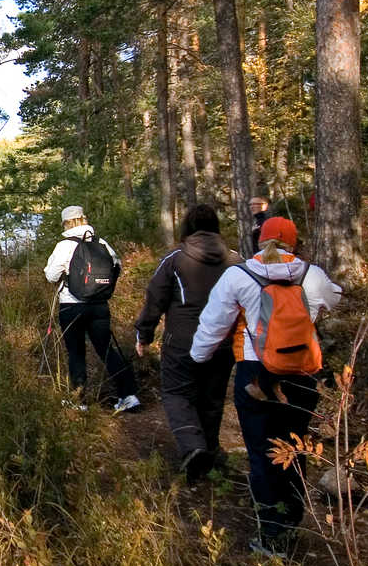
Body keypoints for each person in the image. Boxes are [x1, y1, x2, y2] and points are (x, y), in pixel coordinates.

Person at [189, 216, 342, 555]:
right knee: (295, 448)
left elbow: (213, 324)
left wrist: (197, 358)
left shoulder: (239, 275)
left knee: (262, 453)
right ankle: (291, 523)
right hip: (302, 375)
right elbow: (336, 299)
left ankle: (271, 533)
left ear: (260, 241)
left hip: (255, 374)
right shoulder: (311, 274)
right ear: (293, 241)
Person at [134, 204, 237, 482]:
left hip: (181, 340)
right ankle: (210, 449)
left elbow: (155, 299)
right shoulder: (236, 261)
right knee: (212, 397)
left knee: (177, 394)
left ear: (187, 228)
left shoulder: (175, 259)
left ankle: (194, 448)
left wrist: (143, 335)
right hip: (223, 343)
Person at [44, 205, 140, 413]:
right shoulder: (101, 242)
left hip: (71, 305)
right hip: (99, 306)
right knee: (106, 349)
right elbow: (117, 266)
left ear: (65, 223)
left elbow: (51, 275)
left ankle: (79, 401)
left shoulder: (64, 245)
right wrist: (103, 290)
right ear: (83, 219)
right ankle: (128, 395)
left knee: (76, 353)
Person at [245, 195, 277, 259]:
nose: (252, 207)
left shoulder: (268, 221)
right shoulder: (257, 221)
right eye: (250, 204)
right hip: (258, 258)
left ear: (264, 206)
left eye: (255, 204)